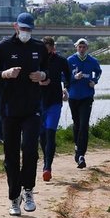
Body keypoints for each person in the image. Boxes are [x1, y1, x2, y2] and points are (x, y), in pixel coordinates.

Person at [0, 12, 49, 216]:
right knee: (11, 156)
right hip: (9, 110)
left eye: (29, 29)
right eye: (23, 29)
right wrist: (4, 74)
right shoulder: (3, 48)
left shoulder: (39, 48)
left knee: (30, 150)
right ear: (15, 27)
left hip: (32, 109)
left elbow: (50, 73)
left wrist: (43, 75)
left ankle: (28, 190)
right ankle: (14, 198)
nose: (25, 32)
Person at [38, 36, 71, 182]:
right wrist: (39, 83)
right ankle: (46, 158)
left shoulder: (61, 61)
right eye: (43, 48)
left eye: (47, 48)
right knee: (42, 136)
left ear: (52, 47)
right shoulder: (36, 60)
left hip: (55, 102)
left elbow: (68, 77)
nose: (45, 50)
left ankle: (47, 167)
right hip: (38, 102)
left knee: (50, 134)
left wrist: (66, 89)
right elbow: (27, 78)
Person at [67, 38, 102, 169]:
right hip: (73, 96)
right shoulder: (70, 60)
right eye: (79, 47)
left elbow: (98, 72)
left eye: (84, 47)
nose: (81, 49)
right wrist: (73, 78)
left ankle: (81, 155)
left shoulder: (92, 61)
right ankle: (77, 147)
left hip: (87, 96)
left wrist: (94, 81)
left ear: (87, 48)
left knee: (84, 125)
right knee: (76, 124)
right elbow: (63, 76)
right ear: (76, 47)